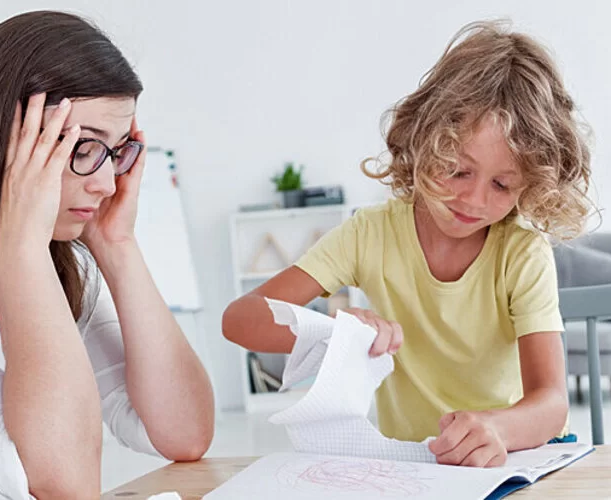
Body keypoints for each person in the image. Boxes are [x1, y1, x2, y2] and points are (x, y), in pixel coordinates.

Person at [223, 20, 592, 468]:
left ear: (530, 186)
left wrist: (497, 428)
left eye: (501, 184)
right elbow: (240, 321)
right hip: (408, 468)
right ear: (425, 142)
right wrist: (337, 335)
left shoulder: (521, 254)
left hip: (504, 462)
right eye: (458, 170)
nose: (474, 200)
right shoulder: (370, 234)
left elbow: (551, 403)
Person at [0, 11, 214, 499]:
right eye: (85, 147)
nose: (107, 183)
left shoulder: (62, 260)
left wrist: (118, 247)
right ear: (3, 138)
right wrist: (23, 250)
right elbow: (62, 485)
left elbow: (184, 432)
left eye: (116, 153)